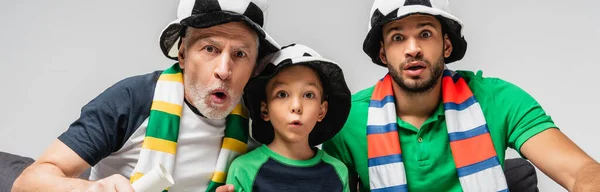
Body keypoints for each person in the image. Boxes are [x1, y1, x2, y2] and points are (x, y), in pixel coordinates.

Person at [322, 0, 600, 191]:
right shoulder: (347, 120)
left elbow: (581, 173)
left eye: (425, 33)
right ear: (383, 54)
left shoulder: (499, 99)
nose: (413, 49)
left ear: (446, 45)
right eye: (397, 38)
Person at [12, 0, 280, 191]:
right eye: (210, 49)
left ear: (254, 68)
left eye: (240, 54)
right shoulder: (133, 98)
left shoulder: (262, 116)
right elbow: (27, 182)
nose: (224, 71)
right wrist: (91, 190)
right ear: (183, 54)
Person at [225, 44, 352, 192]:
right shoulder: (244, 170)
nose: (296, 106)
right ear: (264, 110)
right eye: (282, 94)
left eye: (308, 95)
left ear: (321, 111)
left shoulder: (337, 172)